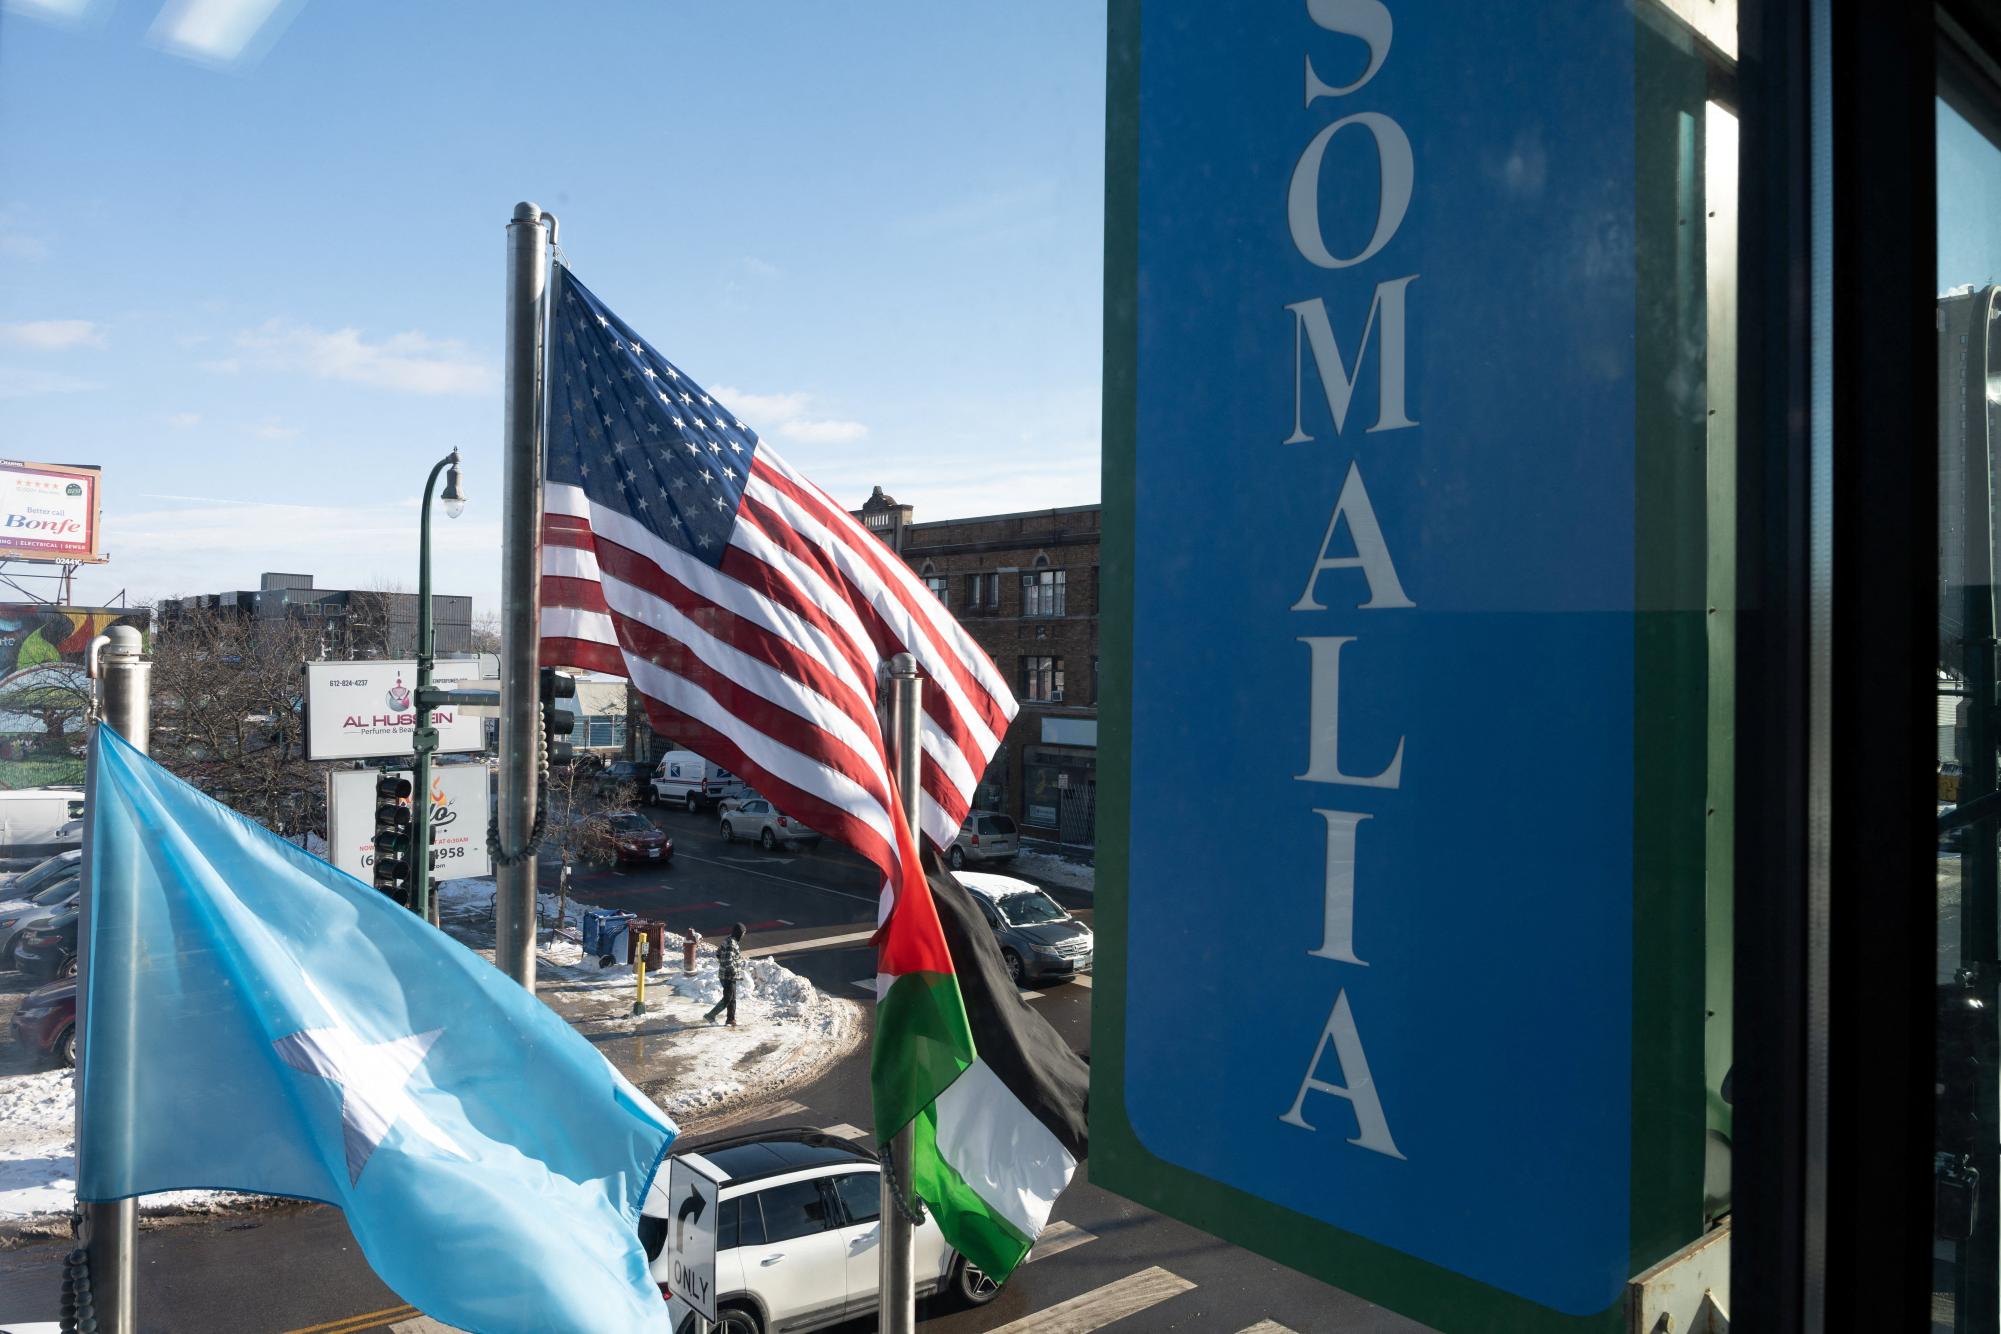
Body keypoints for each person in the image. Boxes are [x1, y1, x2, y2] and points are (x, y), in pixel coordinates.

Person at [705, 922, 746, 1027]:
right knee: (728, 998)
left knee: (732, 998)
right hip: (728, 976)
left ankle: (731, 1019)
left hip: (727, 975)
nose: (743, 935)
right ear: (739, 933)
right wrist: (732, 971)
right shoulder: (731, 943)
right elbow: (728, 960)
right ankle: (710, 1015)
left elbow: (718, 953)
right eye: (743, 933)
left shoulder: (728, 939)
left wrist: (723, 965)